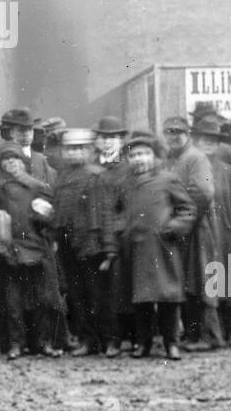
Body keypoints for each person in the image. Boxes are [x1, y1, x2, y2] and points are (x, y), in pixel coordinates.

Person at [116, 131, 195, 361]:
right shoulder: (125, 184)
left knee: (168, 297)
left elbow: (187, 208)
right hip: (136, 249)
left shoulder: (167, 179)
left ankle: (171, 343)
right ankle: (144, 343)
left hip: (163, 247)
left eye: (144, 154)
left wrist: (174, 227)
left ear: (154, 156)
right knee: (142, 300)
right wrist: (123, 230)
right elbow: (118, 211)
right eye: (135, 155)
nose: (140, 159)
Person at [0, 143, 62, 358]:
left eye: (15, 159)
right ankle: (16, 344)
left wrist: (44, 217)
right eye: (6, 160)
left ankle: (43, 342)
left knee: (43, 299)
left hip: (37, 248)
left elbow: (53, 220)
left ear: (23, 163)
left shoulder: (37, 186)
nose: (11, 164)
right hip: (10, 251)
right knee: (13, 302)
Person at [163, 115, 217, 350]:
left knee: (204, 281)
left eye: (179, 132)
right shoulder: (171, 159)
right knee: (187, 282)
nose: (175, 137)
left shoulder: (196, 158)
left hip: (199, 227)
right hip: (182, 229)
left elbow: (204, 192)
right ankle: (193, 334)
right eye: (170, 132)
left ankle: (210, 337)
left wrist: (187, 221)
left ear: (188, 134)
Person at [53, 128, 106, 355]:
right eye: (71, 149)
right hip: (67, 242)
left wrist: (95, 242)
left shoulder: (95, 175)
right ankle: (85, 338)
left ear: (89, 150)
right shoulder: (63, 176)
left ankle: (100, 340)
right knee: (76, 293)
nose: (75, 153)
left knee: (94, 294)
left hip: (89, 242)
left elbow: (98, 214)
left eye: (80, 148)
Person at [191, 115, 231, 343]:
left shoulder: (229, 171)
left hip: (224, 232)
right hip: (199, 232)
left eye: (213, 139)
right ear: (195, 140)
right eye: (204, 138)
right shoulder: (189, 167)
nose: (209, 143)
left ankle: (226, 331)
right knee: (202, 280)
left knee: (226, 281)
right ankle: (204, 333)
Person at [94, 116, 129, 356]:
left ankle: (124, 339)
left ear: (120, 140)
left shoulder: (127, 168)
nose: (108, 142)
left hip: (120, 237)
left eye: (113, 138)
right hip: (94, 238)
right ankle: (106, 339)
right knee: (99, 293)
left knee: (121, 290)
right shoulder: (90, 167)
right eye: (104, 137)